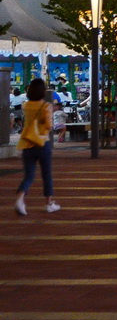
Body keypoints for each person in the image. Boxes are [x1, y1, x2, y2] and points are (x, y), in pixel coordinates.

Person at [14, 78, 59, 216]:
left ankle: (20, 200)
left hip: (27, 142)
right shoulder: (46, 106)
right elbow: (49, 126)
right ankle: (49, 204)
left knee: (29, 175)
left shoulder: (26, 105)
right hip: (42, 142)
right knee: (46, 174)